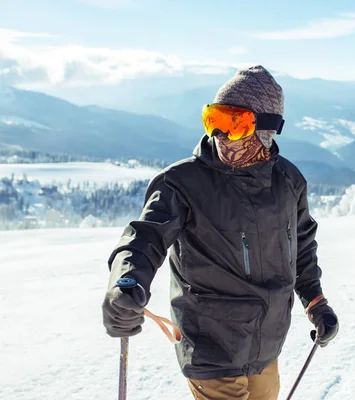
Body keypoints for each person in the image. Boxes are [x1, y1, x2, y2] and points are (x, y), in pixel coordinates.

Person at [101, 65, 339, 400]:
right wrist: (126, 282)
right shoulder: (183, 183)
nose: (220, 135)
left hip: (266, 344)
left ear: (266, 130)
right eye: (213, 120)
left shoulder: (289, 182)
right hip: (211, 347)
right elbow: (144, 238)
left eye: (234, 124)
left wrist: (316, 301)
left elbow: (301, 247)